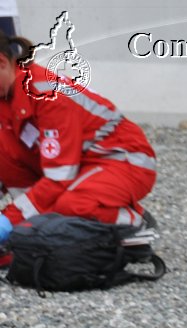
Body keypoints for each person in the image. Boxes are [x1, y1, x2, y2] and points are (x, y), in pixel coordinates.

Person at [0, 30, 157, 251]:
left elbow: (58, 177)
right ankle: (31, 228)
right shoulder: (5, 94)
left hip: (122, 159)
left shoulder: (46, 92)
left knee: (73, 206)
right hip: (76, 166)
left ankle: (135, 225)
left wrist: (9, 219)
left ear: (2, 62)